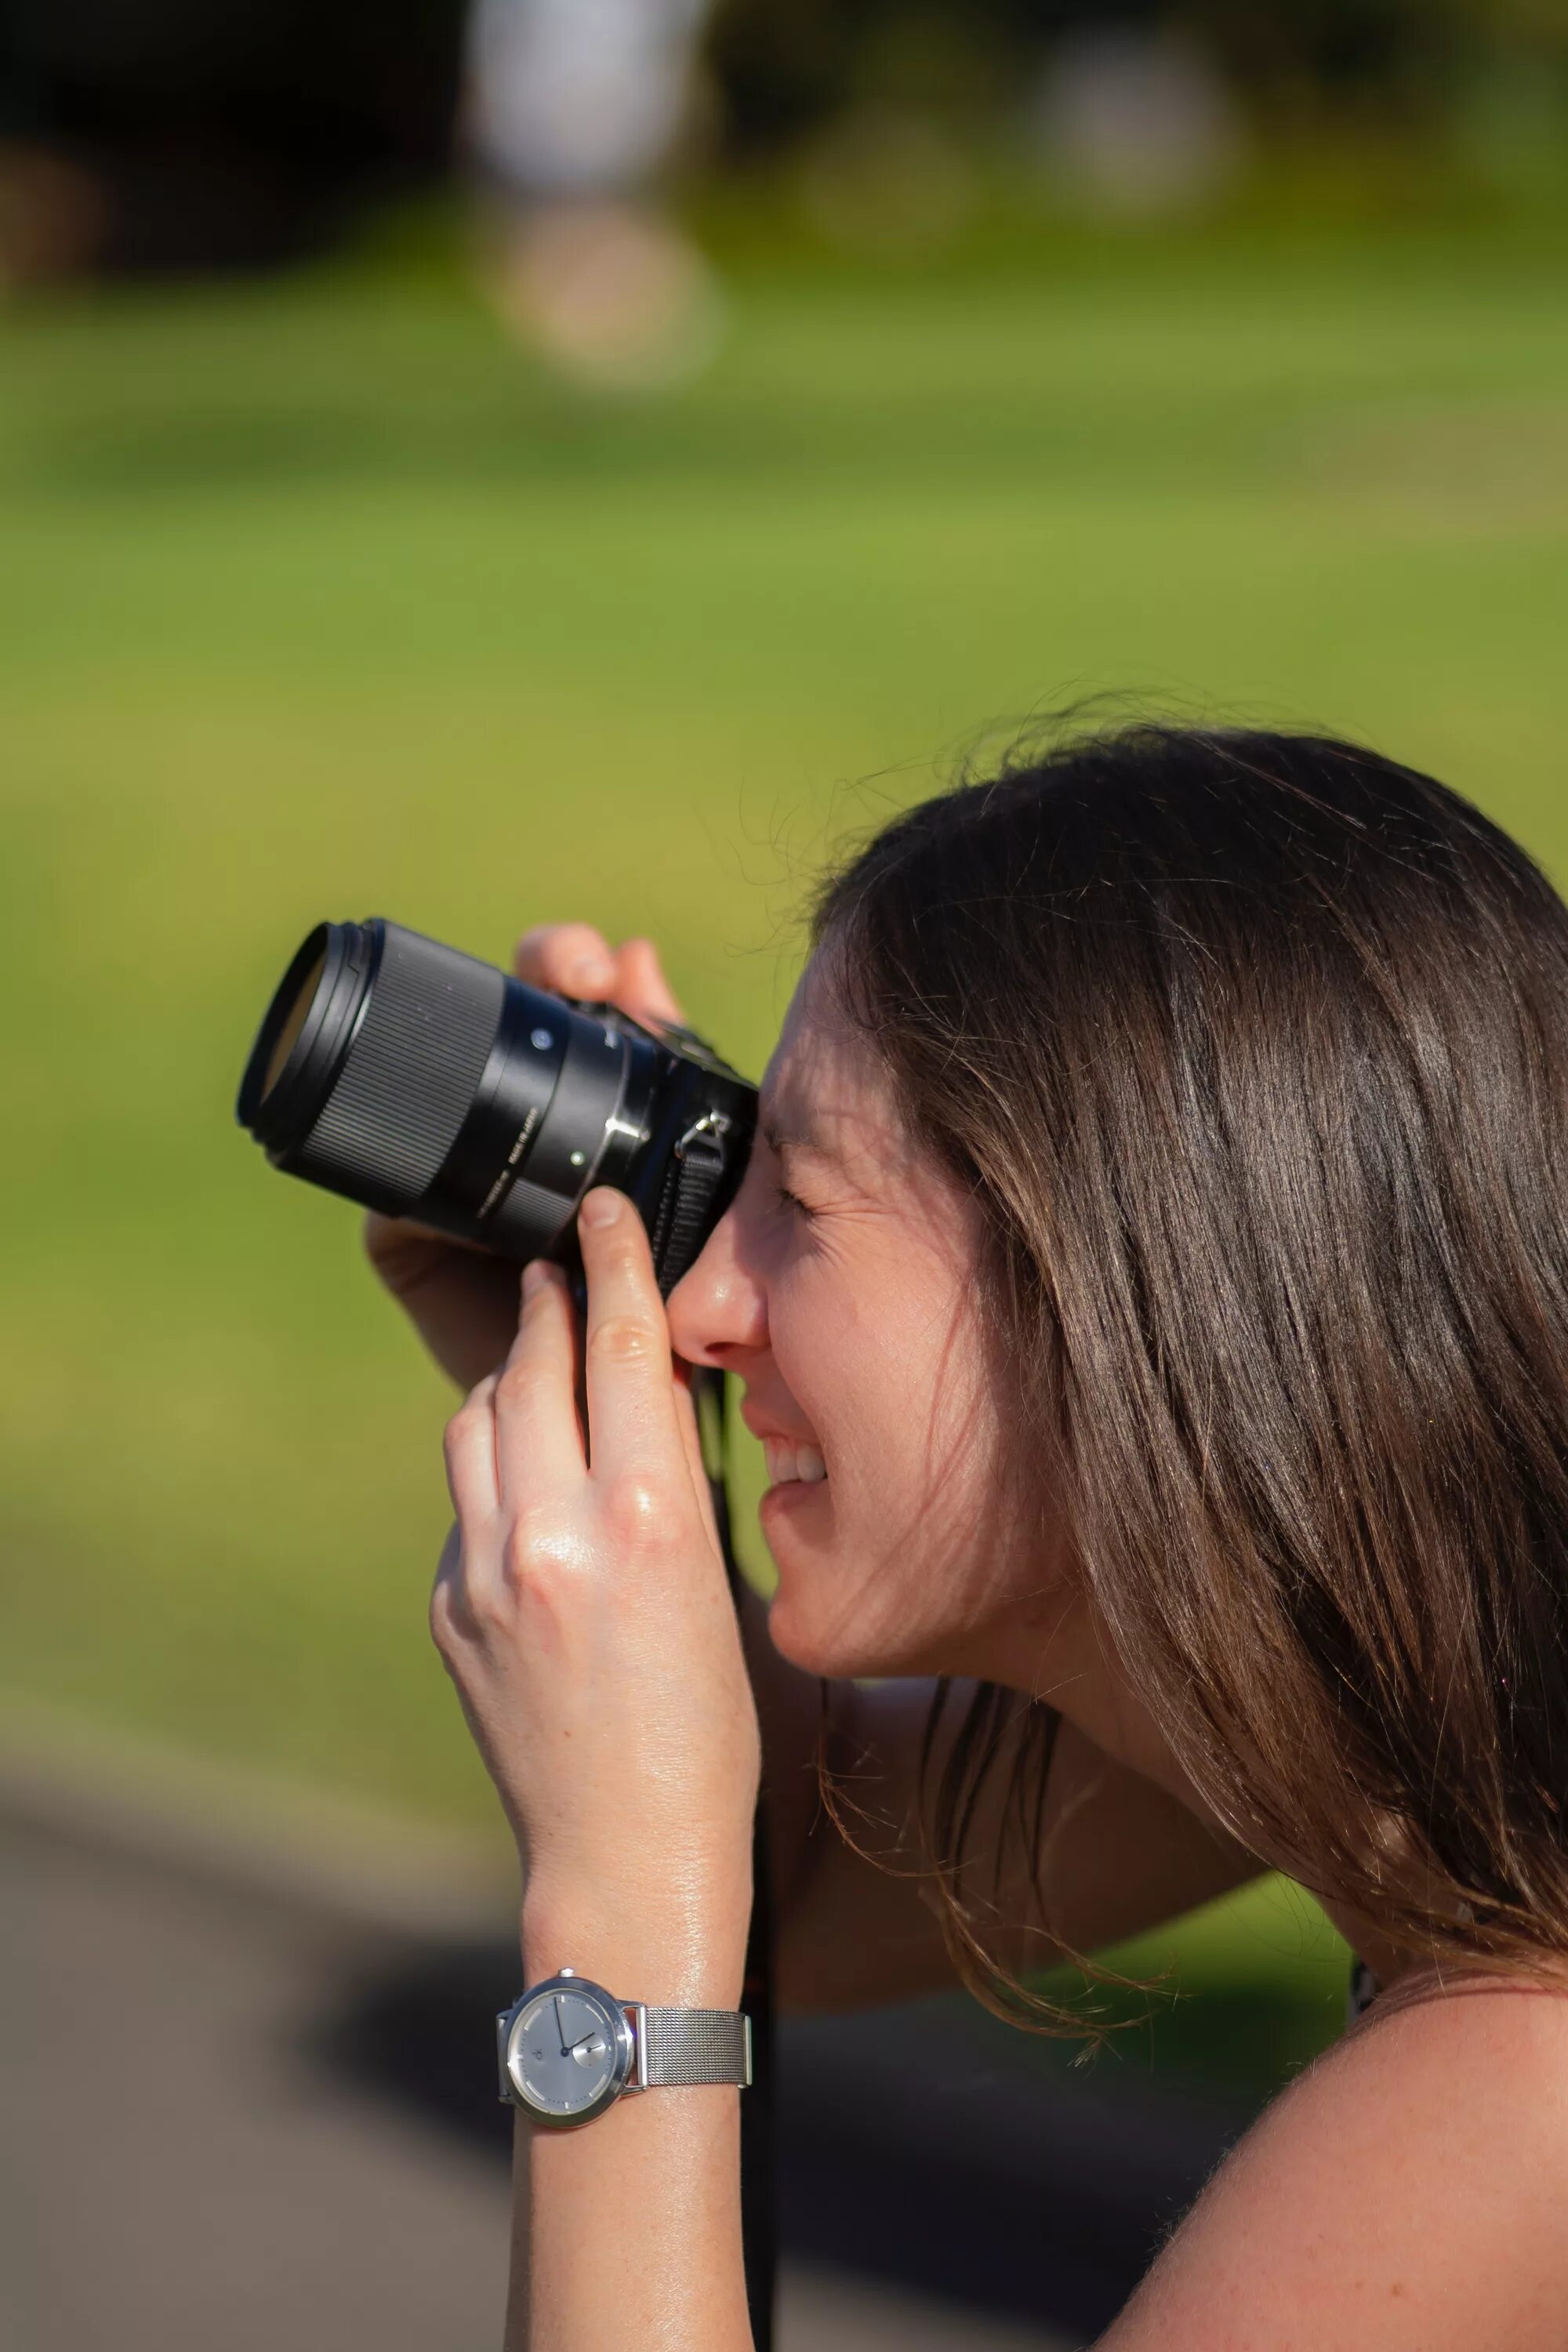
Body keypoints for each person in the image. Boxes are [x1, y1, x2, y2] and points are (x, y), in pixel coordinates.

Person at [367, 720, 1568, 2348]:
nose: (708, 1306)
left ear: (1136, 1289)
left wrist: (614, 1911)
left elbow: (701, 1917)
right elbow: (791, 1887)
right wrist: (577, 1341)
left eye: (798, 1198)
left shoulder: (1506, 2108)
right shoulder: (1405, 1713)